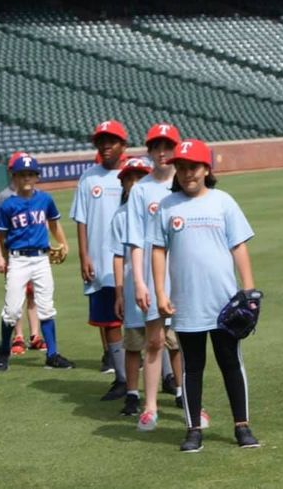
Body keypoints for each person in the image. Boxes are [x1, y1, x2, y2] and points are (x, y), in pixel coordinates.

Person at [152, 139, 260, 453]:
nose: (187, 174)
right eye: (182, 167)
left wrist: (249, 288)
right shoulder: (168, 206)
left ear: (206, 169)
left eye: (193, 167)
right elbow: (158, 251)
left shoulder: (223, 201)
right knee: (192, 366)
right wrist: (160, 292)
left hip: (224, 302)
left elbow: (238, 246)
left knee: (230, 362)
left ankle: (242, 425)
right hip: (186, 302)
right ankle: (193, 429)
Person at [126, 123, 186, 430]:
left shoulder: (187, 183)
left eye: (168, 146)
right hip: (152, 274)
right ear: (149, 151)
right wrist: (138, 280)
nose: (162, 153)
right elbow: (135, 241)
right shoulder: (140, 189)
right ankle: (150, 406)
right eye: (156, 147)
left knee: (187, 341)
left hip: (185, 272)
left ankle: (190, 400)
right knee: (154, 341)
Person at [0, 155, 74, 371]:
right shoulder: (7, 205)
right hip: (18, 259)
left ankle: (52, 354)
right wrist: (3, 257)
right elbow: (1, 236)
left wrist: (64, 244)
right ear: (15, 177)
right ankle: (3, 351)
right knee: (11, 310)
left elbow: (54, 224)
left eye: (30, 174)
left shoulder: (45, 200)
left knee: (46, 308)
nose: (26, 178)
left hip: (41, 259)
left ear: (37, 176)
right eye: (22, 174)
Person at [70, 120, 128, 400]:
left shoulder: (135, 175)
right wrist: (84, 255)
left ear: (123, 145)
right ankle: (122, 379)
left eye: (111, 141)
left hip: (132, 263)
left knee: (151, 321)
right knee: (110, 322)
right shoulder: (88, 178)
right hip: (101, 263)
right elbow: (81, 219)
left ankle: (167, 376)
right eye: (101, 142)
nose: (105, 146)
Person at [0, 151, 46, 356]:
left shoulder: (35, 193)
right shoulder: (5, 196)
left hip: (35, 253)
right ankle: (18, 336)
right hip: (14, 254)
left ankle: (35, 335)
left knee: (34, 296)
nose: (24, 175)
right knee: (17, 297)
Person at [111, 157, 152, 416]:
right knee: (135, 342)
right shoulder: (120, 216)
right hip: (130, 285)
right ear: (123, 183)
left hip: (160, 284)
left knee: (170, 342)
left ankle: (180, 390)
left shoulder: (159, 208)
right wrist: (118, 293)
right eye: (130, 178)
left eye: (140, 177)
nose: (135, 183)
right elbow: (117, 255)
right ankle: (133, 394)